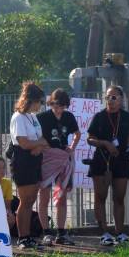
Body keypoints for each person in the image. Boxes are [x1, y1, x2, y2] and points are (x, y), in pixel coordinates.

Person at [87, 85, 129, 246]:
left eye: (114, 97)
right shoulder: (99, 117)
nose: (110, 100)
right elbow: (90, 139)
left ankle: (119, 232)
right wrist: (105, 143)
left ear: (121, 99)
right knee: (100, 197)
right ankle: (104, 232)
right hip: (101, 161)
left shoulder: (127, 117)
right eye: (108, 97)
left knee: (119, 198)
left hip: (120, 160)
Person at [36, 89, 80, 246]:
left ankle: (61, 233)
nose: (58, 108)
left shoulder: (69, 117)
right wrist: (47, 146)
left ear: (66, 105)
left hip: (63, 161)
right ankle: (46, 232)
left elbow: (77, 134)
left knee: (61, 197)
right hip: (47, 160)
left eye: (61, 105)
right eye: (54, 104)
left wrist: (71, 148)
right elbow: (36, 135)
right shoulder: (42, 117)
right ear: (50, 103)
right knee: (44, 197)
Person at [10, 82, 49, 249]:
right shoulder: (18, 117)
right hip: (23, 161)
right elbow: (24, 143)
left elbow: (43, 141)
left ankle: (28, 236)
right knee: (25, 201)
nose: (41, 105)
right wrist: (37, 144)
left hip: (35, 159)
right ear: (30, 100)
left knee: (31, 199)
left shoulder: (32, 117)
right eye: (39, 101)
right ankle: (22, 237)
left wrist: (39, 146)